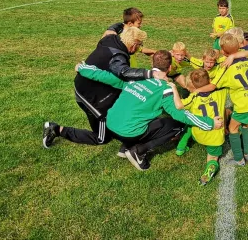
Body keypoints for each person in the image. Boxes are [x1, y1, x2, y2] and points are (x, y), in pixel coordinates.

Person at [76, 50, 224, 171]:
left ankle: (125, 147)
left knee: (144, 112)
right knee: (177, 125)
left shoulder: (136, 76)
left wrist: (82, 68)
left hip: (110, 124)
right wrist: (209, 123)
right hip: (128, 132)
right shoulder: (165, 89)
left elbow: (106, 76)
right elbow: (179, 114)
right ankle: (138, 151)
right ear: (170, 68)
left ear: (152, 63)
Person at [42, 27, 167, 149]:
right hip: (89, 96)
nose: (139, 48)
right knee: (102, 138)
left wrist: (121, 25)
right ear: (133, 44)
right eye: (139, 45)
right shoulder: (118, 56)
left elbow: (112, 27)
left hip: (89, 84)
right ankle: (56, 129)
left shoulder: (111, 38)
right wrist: (151, 74)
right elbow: (123, 71)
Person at [209, 33, 248, 166]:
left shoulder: (226, 67)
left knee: (232, 127)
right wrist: (235, 55)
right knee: (246, 125)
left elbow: (213, 85)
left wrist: (197, 90)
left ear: (223, 51)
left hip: (244, 103)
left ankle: (239, 158)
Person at [174, 69, 227, 185]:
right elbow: (222, 74)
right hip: (215, 135)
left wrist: (173, 88)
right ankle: (211, 167)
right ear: (209, 80)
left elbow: (179, 106)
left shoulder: (193, 97)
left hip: (199, 133)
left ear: (192, 84)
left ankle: (181, 147)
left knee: (188, 123)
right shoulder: (221, 91)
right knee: (213, 157)